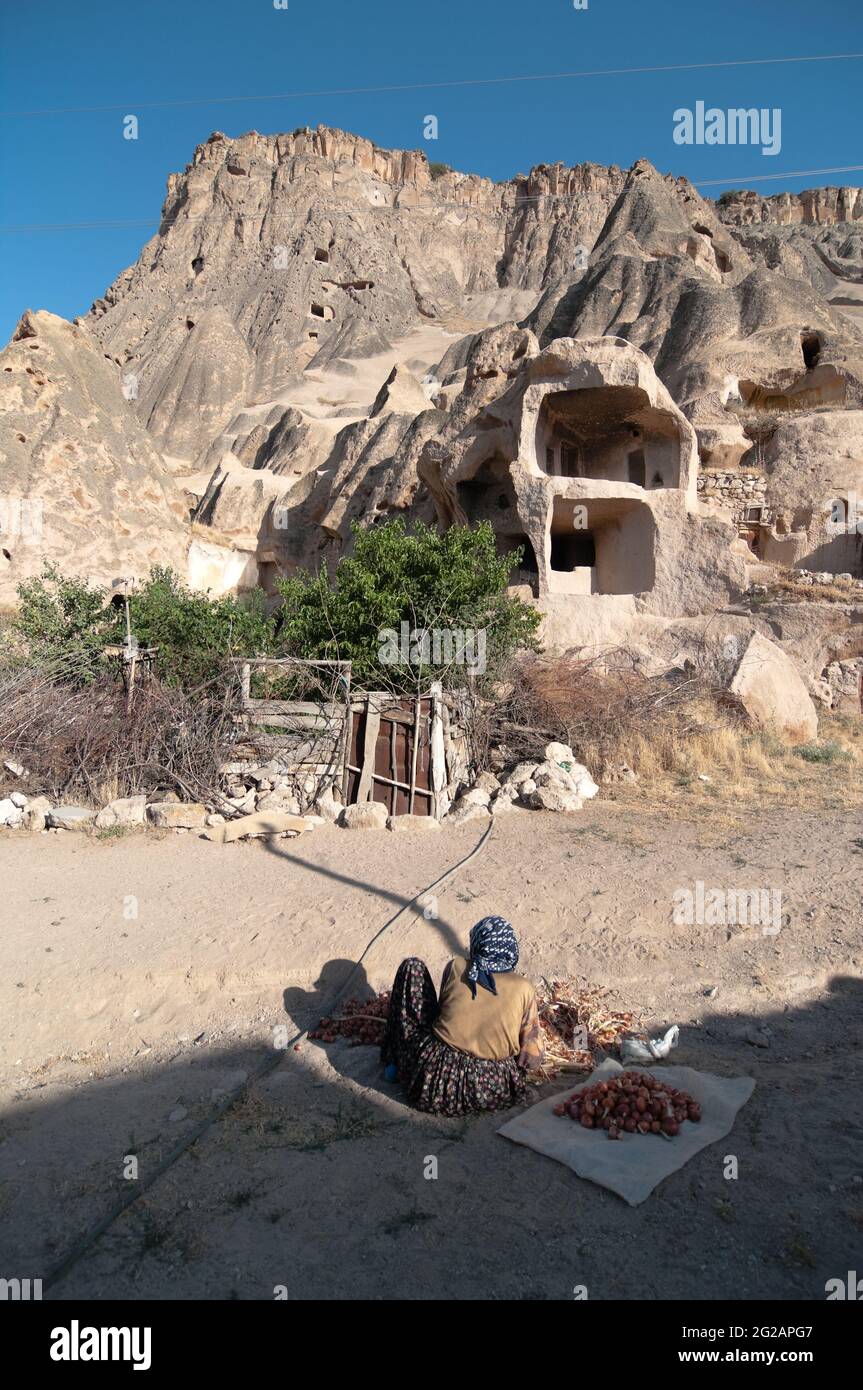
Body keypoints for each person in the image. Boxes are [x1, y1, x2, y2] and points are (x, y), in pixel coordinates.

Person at [380, 916, 543, 1116]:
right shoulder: (524, 988)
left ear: (477, 944)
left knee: (412, 966)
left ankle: (395, 1062)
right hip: (492, 1093)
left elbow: (443, 1014)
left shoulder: (456, 966)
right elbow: (532, 1059)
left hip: (433, 1085)